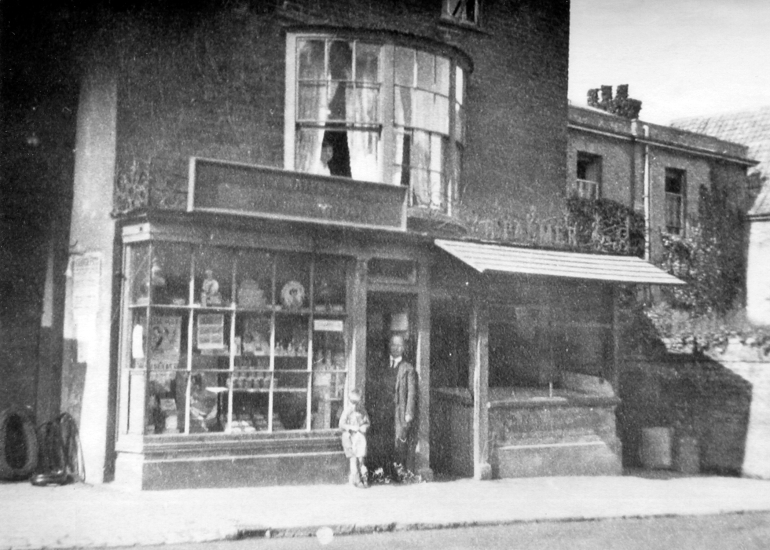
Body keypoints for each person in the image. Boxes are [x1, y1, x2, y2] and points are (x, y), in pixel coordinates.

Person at [389, 334, 418, 477]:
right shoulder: (384, 365)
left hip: (399, 411)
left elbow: (412, 393)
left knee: (400, 439)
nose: (396, 348)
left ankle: (400, 470)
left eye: (399, 345)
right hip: (386, 411)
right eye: (394, 345)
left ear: (404, 348)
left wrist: (409, 413)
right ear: (389, 346)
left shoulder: (408, 368)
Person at [339, 388, 370, 488]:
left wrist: (364, 427)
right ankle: (357, 480)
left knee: (361, 459)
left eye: (357, 403)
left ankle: (364, 478)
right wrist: (351, 427)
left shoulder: (362, 412)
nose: (355, 406)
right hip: (349, 438)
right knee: (353, 459)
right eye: (353, 402)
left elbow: (367, 423)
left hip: (359, 438)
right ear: (349, 401)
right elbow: (341, 424)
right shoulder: (347, 411)